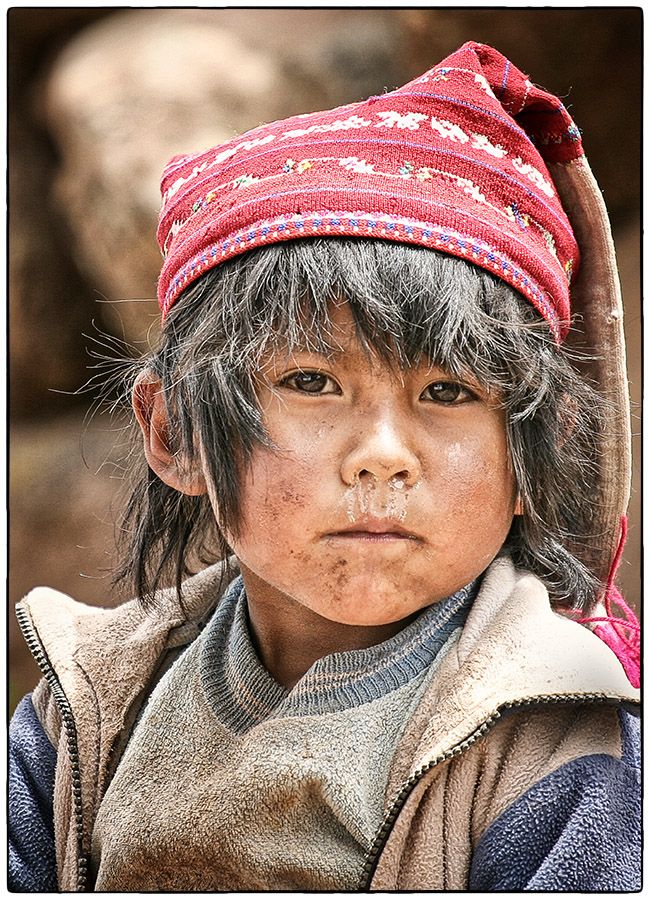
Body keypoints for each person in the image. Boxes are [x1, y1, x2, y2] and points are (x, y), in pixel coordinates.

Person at [9, 41, 640, 892]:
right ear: (174, 434)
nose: (383, 455)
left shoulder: (553, 737)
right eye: (311, 382)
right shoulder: (84, 711)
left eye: (449, 391)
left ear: (536, 448)